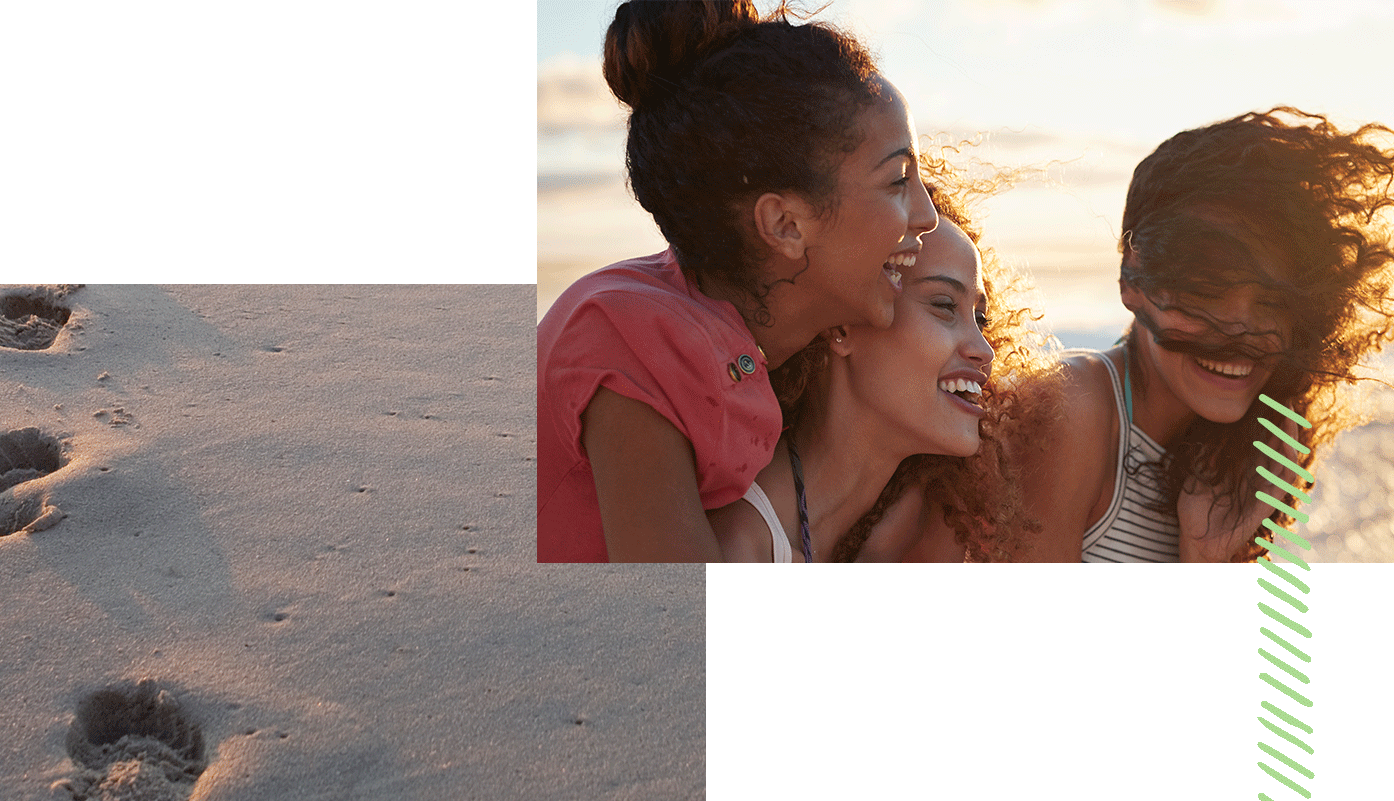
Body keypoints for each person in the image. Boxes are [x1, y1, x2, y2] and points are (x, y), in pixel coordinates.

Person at [537, 0, 939, 562]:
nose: (927, 215)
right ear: (784, 225)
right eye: (898, 180)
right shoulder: (629, 339)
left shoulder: (731, 337)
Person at [1008, 107, 1394, 562]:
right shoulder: (1074, 409)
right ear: (1133, 281)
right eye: (1208, 292)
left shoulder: (1242, 452)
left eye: (1272, 302)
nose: (1240, 332)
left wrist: (1208, 553)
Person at [709, 164, 1062, 562]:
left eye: (981, 319)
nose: (985, 349)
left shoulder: (922, 526)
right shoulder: (734, 543)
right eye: (944, 305)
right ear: (841, 325)